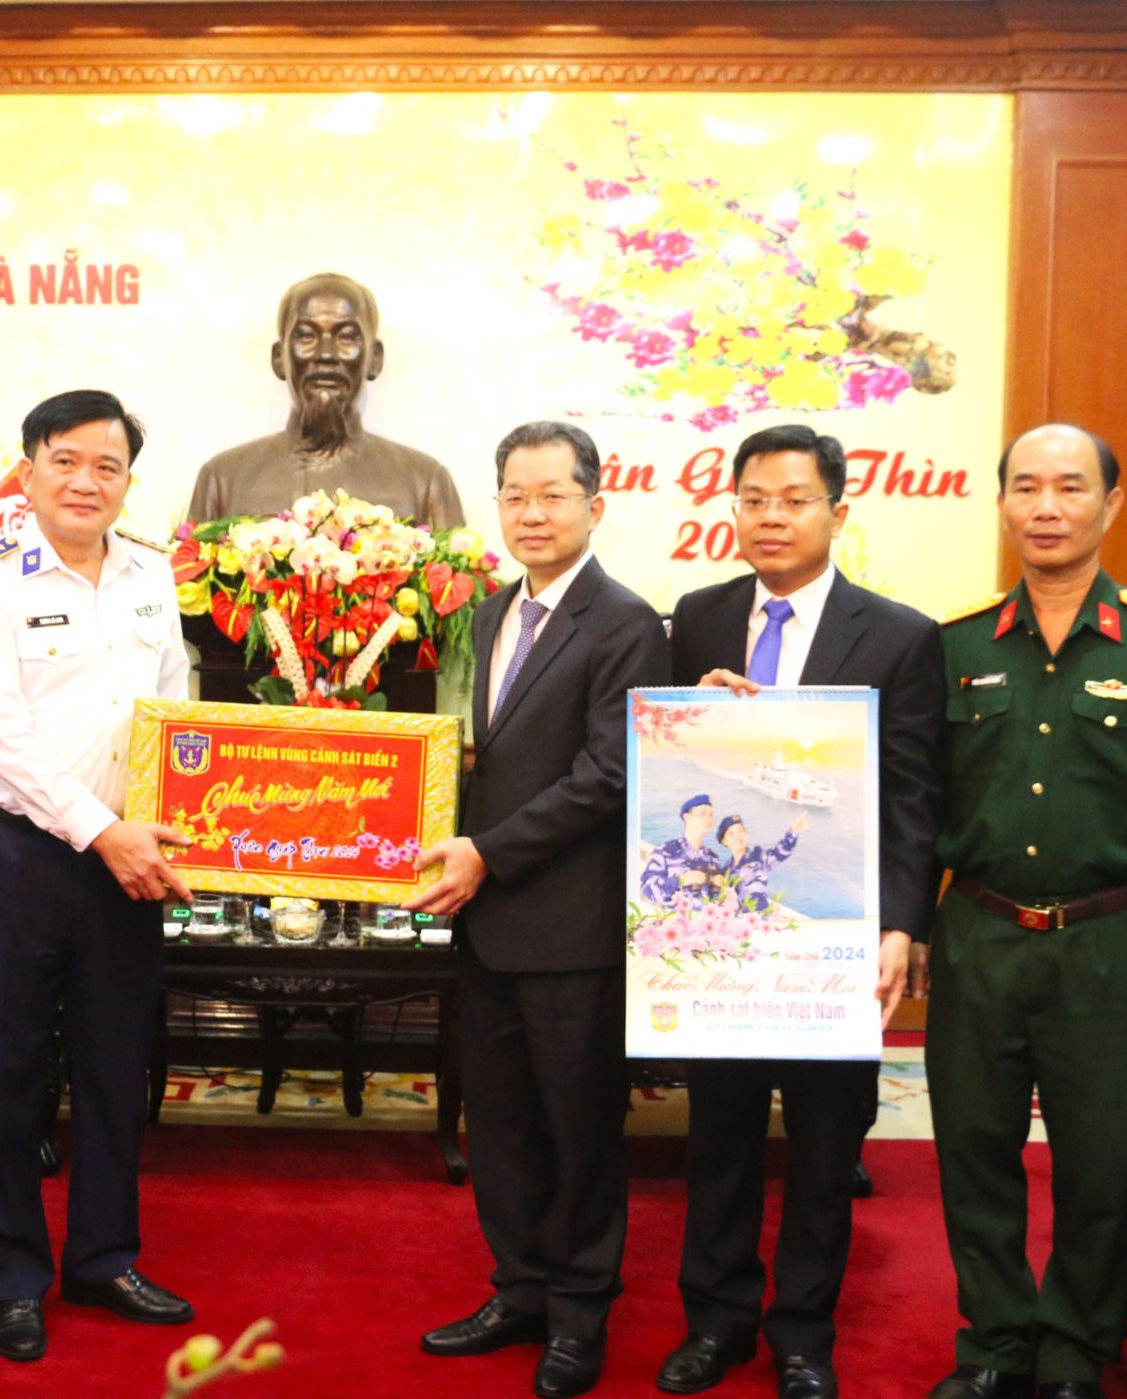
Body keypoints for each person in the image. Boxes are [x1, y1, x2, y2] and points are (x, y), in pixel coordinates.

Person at [924, 425, 1127, 1399]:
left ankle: (1074, 1348)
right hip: (976, 933)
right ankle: (998, 1342)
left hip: (1104, 942)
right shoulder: (956, 642)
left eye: (1067, 487)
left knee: (1093, 1161)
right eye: (1024, 487)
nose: (1044, 506)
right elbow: (917, 797)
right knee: (972, 1151)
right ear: (1000, 501)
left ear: (1108, 504)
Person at [659, 423, 943, 1399]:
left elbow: (912, 794)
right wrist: (684, 713)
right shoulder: (693, 617)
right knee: (719, 1140)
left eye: (792, 499)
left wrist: (900, 926)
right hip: (722, 937)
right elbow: (664, 777)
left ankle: (801, 1336)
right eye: (752, 498)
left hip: (834, 938)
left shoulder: (898, 634)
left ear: (836, 511)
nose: (769, 516)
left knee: (826, 1148)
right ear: (730, 507)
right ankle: (714, 1321)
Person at [408, 420, 669, 1399]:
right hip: (487, 926)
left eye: (551, 494)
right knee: (502, 1124)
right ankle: (516, 1288)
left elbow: (608, 776)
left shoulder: (625, 623)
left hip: (573, 930)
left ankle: (578, 1312)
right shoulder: (483, 615)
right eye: (513, 494)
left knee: (578, 1128)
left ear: (593, 506)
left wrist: (483, 851)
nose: (530, 511)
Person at [0, 389, 197, 1364]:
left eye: (106, 465)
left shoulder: (148, 575)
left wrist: (164, 825)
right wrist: (104, 831)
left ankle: (102, 1254)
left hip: (130, 857)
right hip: (18, 857)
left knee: (112, 1064)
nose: (85, 481)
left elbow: (172, 702)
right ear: (29, 469)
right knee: (6, 1072)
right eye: (65, 461)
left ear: (127, 479)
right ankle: (11, 1277)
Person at [186, 272, 466, 528]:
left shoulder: (423, 482)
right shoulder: (223, 480)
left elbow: (458, 579)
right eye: (306, 336)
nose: (326, 354)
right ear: (278, 358)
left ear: (375, 358)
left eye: (347, 337)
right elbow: (185, 580)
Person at [638, 796, 721, 905]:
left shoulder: (713, 858)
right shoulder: (665, 851)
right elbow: (646, 887)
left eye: (711, 815)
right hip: (675, 920)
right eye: (702, 813)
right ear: (687, 817)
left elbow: (715, 901)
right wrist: (680, 880)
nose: (708, 819)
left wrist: (721, 888)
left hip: (705, 920)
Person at [716, 812, 808, 910]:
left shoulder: (759, 856)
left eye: (741, 831)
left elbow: (781, 852)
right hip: (739, 921)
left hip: (759, 919)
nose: (737, 836)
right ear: (724, 841)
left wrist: (793, 832)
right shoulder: (726, 870)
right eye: (731, 833)